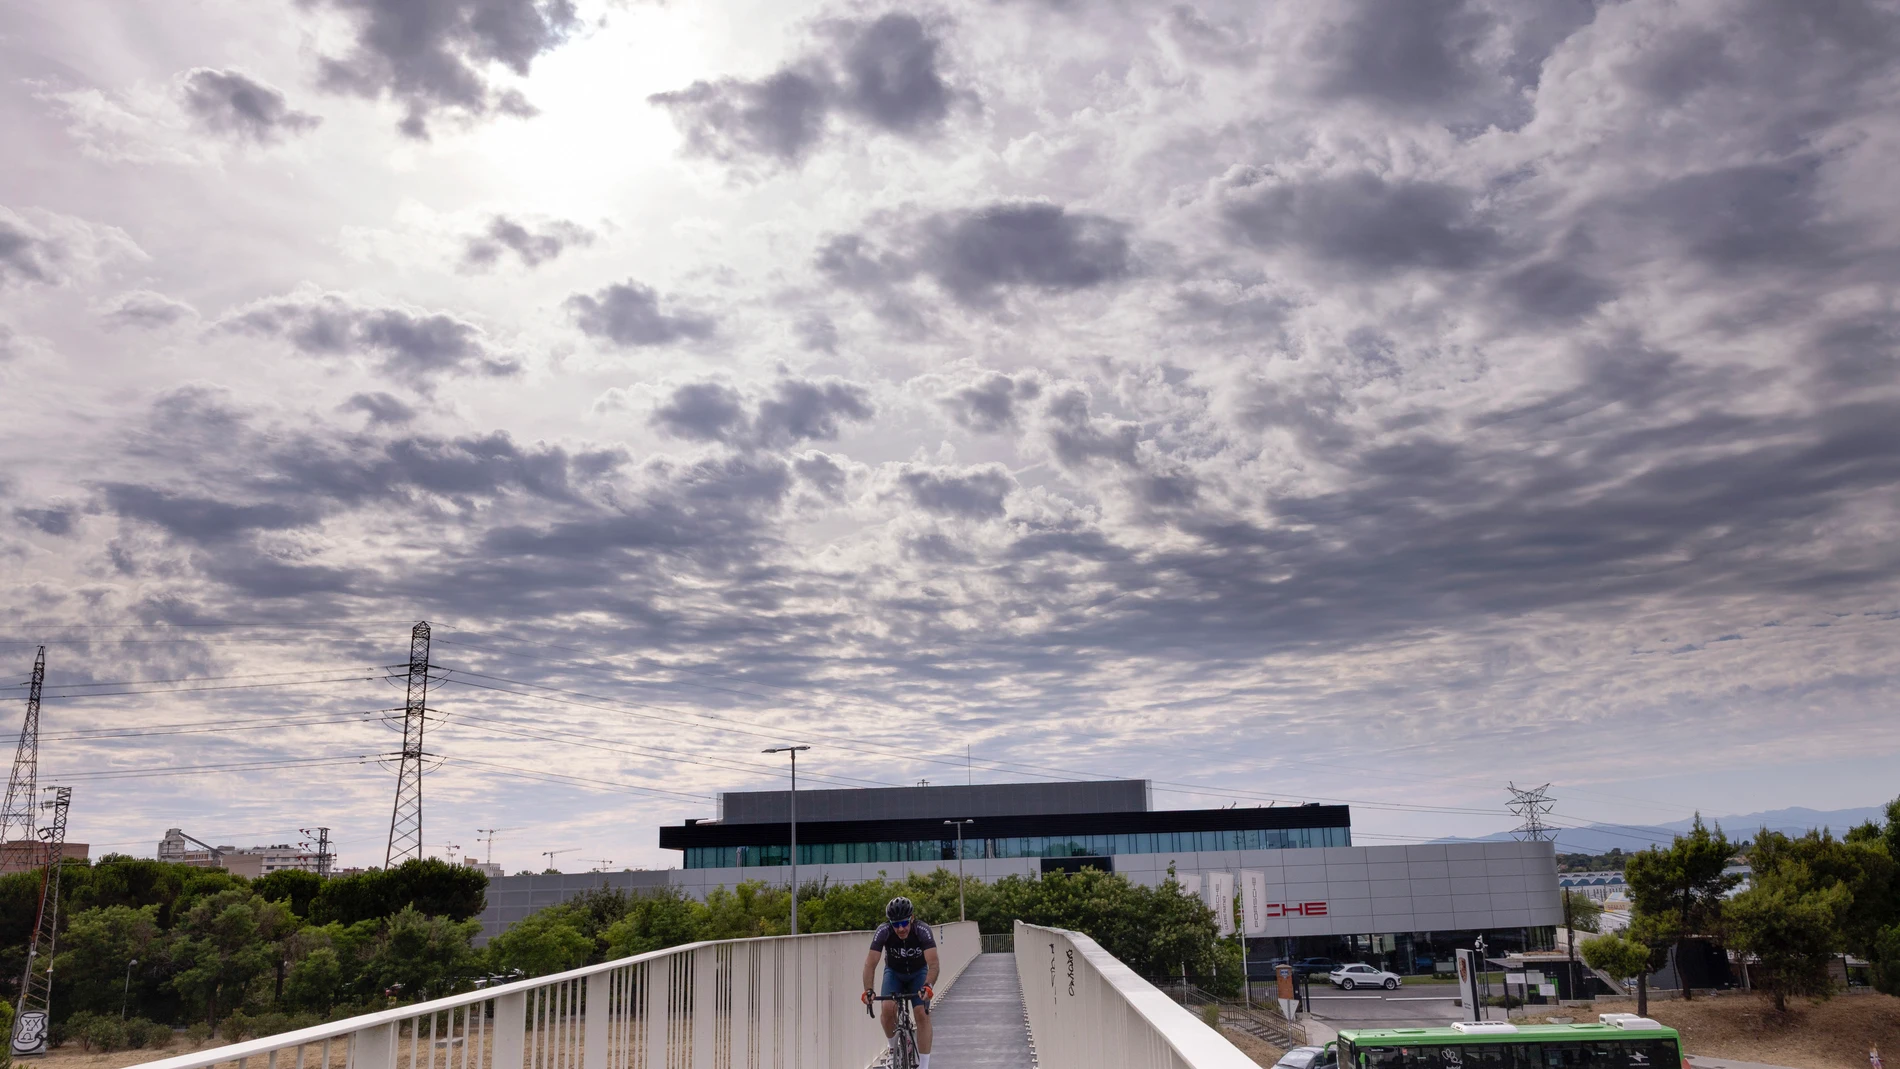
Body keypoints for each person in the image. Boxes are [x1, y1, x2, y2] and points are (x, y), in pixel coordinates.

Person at [861, 896, 939, 1069]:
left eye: (904, 923)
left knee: (921, 1013)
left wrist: (928, 986)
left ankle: (924, 1065)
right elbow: (870, 963)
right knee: (888, 1009)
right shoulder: (883, 931)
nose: (901, 928)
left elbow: (933, 964)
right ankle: (892, 1048)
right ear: (890, 923)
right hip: (894, 973)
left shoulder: (922, 930)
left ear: (912, 918)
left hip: (918, 974)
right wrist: (868, 990)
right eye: (895, 924)